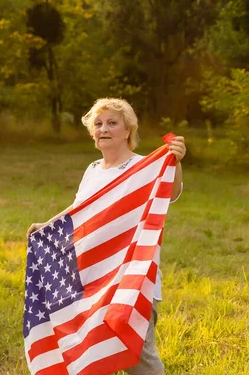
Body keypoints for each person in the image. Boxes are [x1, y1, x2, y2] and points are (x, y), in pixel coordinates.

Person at [26, 98, 186, 375]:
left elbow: (171, 193)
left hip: (130, 277)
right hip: (92, 279)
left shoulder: (144, 167)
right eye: (98, 124)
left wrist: (176, 160)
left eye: (113, 123)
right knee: (93, 352)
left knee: (136, 354)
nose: (104, 129)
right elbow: (78, 211)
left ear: (128, 130)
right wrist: (47, 224)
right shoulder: (93, 170)